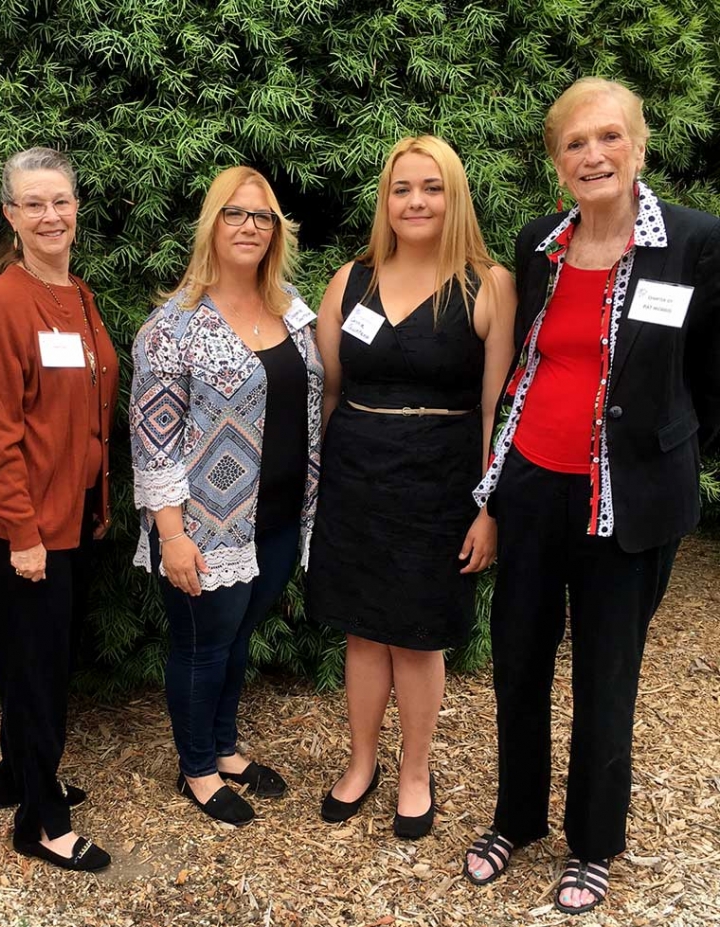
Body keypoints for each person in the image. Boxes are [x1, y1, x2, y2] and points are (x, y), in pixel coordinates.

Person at [463, 78, 720, 914]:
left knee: (608, 678)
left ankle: (594, 842)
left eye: (608, 137)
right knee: (518, 665)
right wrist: (498, 490)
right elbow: (530, 367)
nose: (593, 154)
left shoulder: (695, 241)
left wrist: (664, 453)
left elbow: (710, 380)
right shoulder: (541, 240)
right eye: (575, 143)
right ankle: (516, 818)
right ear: (556, 161)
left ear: (639, 145)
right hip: (534, 487)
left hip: (628, 504)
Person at [308, 136, 516, 838]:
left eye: (431, 187)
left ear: (453, 196)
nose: (416, 201)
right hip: (357, 479)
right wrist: (319, 496)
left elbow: (495, 411)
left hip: (439, 483)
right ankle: (361, 761)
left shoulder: (488, 284)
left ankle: (415, 771)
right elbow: (331, 392)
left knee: (420, 637)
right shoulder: (350, 280)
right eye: (402, 189)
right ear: (385, 200)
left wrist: (488, 507)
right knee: (364, 632)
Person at [130, 166, 323, 826]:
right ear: (211, 225)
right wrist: (172, 533)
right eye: (235, 214)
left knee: (238, 637)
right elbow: (153, 439)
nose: (249, 226)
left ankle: (225, 745)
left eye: (262, 216)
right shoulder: (173, 325)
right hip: (205, 527)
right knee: (201, 645)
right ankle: (197, 768)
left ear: (278, 232)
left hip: (275, 517)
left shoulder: (292, 308)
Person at [0, 147, 118, 872]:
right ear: (11, 216)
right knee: (35, 668)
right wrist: (24, 534)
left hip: (68, 517)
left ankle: (16, 773)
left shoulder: (78, 295)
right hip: (26, 528)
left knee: (41, 661)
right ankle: (40, 818)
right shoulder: (2, 304)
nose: (49, 215)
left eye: (60, 200)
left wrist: (94, 499)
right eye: (33, 203)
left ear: (76, 208)